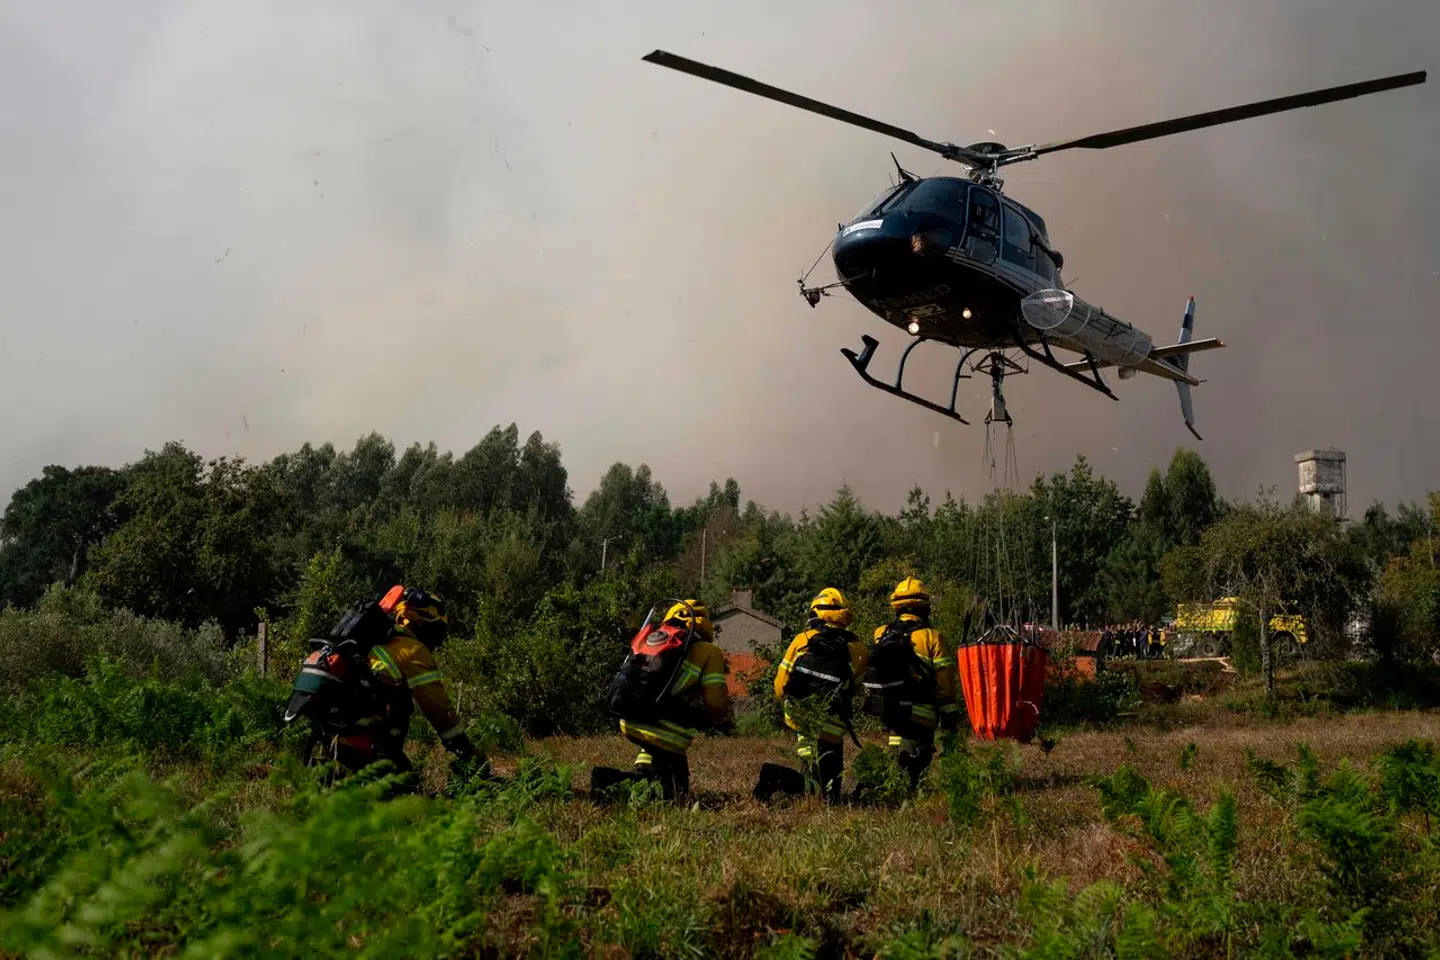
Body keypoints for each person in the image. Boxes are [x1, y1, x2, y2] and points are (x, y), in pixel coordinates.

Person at [309, 587, 483, 784]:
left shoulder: (375, 641)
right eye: (436, 633)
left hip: (331, 726)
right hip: (368, 738)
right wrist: (465, 748)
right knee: (405, 787)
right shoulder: (413, 650)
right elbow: (437, 709)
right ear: (424, 625)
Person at [595, 599, 733, 801]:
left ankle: (639, 775)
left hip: (630, 720)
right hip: (666, 733)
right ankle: (607, 782)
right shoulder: (710, 652)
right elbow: (715, 702)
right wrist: (715, 719)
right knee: (674, 797)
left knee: (653, 754)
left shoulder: (653, 639)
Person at [755, 588, 868, 804]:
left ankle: (779, 778)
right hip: (833, 724)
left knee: (813, 779)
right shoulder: (857, 647)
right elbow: (852, 685)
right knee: (830, 792)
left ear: (815, 613)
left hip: (802, 720)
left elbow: (780, 688)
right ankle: (785, 781)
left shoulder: (802, 640)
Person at [865, 578, 959, 791]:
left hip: (890, 711)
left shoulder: (881, 633)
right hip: (921, 713)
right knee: (915, 766)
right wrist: (950, 715)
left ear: (896, 606)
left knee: (895, 751)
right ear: (925, 606)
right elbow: (945, 686)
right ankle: (906, 796)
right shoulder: (933, 637)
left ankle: (889, 792)